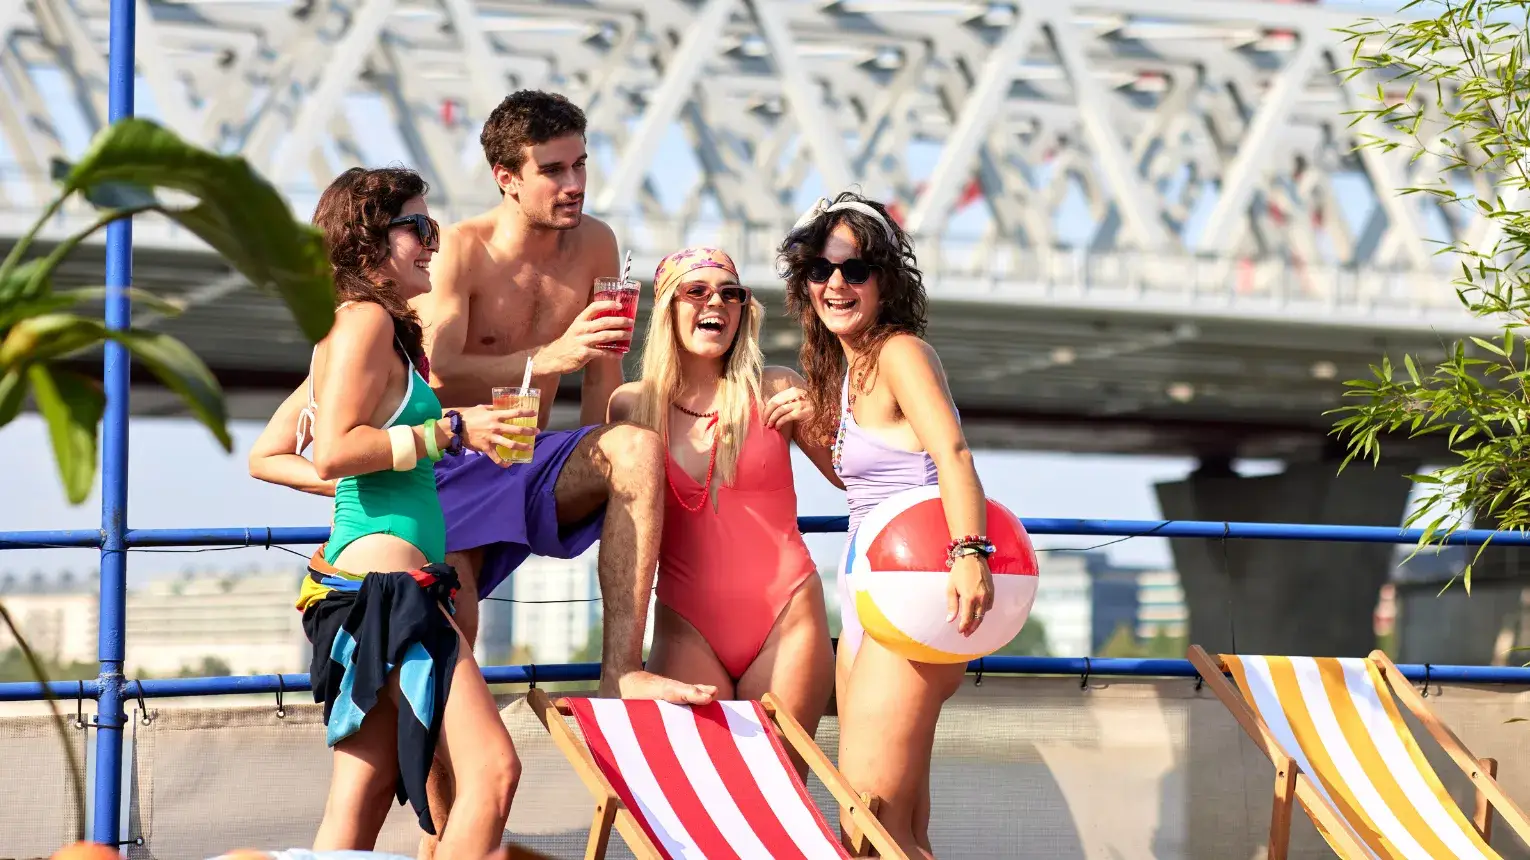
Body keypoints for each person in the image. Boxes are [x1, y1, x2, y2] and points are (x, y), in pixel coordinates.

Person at [277, 167, 530, 855]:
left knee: (360, 802)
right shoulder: (363, 321)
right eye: (417, 227)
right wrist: (449, 431)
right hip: (387, 595)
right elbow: (333, 451)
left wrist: (370, 484)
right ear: (367, 241)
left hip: (369, 589)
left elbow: (284, 454)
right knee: (493, 773)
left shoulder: (362, 330)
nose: (433, 242)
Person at [778, 191, 995, 859]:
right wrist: (807, 433)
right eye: (820, 270)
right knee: (900, 827)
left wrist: (970, 552)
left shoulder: (900, 353)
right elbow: (862, 484)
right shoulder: (850, 370)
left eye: (854, 269)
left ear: (885, 281)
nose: (835, 284)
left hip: (916, 593)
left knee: (866, 825)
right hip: (868, 597)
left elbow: (953, 454)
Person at [606, 247, 838, 769]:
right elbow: (601, 505)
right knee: (699, 793)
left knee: (777, 790)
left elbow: (850, 475)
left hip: (787, 620)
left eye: (731, 294)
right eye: (697, 291)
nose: (717, 302)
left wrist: (823, 416)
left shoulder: (776, 387)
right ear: (668, 307)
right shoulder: (630, 405)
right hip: (685, 625)